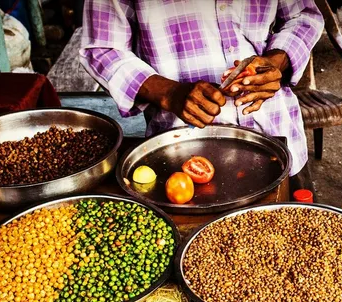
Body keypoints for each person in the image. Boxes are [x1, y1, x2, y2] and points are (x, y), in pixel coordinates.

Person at [79, 0, 324, 175]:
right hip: (181, 151)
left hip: (277, 130)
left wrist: (276, 62)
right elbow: (102, 48)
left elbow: (303, 16)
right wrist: (170, 93)